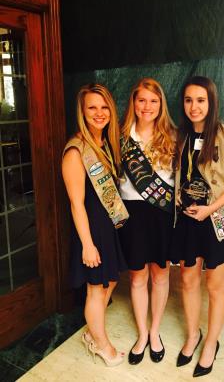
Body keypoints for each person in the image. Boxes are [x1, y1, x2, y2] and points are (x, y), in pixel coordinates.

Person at [171, 76, 224, 378]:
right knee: (188, 281)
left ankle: (211, 344)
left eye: (200, 100)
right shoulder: (179, 136)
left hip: (217, 220)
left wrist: (211, 209)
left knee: (215, 286)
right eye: (189, 100)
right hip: (189, 219)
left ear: (211, 102)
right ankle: (193, 335)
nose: (194, 106)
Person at [62, 83, 129, 367]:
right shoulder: (76, 151)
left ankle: (93, 331)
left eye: (104, 107)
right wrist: (87, 245)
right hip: (90, 230)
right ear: (82, 112)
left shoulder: (105, 144)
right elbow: (76, 204)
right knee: (95, 288)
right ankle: (101, 345)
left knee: (111, 279)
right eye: (92, 107)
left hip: (107, 226)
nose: (99, 113)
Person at [119, 78, 176, 364]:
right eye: (142, 100)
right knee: (138, 276)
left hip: (162, 214)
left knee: (160, 274)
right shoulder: (120, 138)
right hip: (132, 214)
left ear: (161, 105)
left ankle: (155, 332)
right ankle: (142, 333)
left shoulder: (174, 137)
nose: (147, 106)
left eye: (153, 101)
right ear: (133, 103)